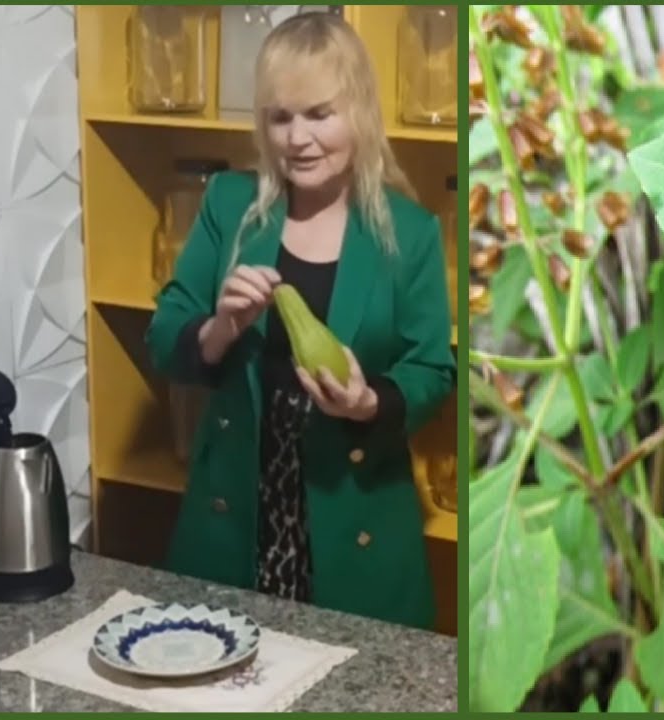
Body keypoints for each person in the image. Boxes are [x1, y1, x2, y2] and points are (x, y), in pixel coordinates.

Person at [145, 12, 454, 630]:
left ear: (359, 113)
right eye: (280, 118)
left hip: (355, 517)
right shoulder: (229, 207)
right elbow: (162, 337)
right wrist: (220, 329)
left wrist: (369, 402)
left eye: (320, 114)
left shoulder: (410, 233)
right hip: (235, 514)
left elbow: (432, 369)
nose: (298, 138)